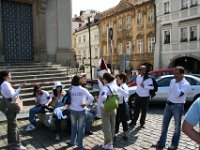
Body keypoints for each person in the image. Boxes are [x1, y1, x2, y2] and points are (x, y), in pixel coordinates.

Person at [152, 66, 191, 150]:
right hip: (168, 105)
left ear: (182, 74)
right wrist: (168, 101)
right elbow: (170, 92)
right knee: (164, 126)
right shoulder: (172, 81)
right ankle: (161, 143)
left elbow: (178, 95)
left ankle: (174, 145)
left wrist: (177, 83)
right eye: (174, 73)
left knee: (177, 127)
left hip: (178, 106)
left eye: (177, 74)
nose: (174, 75)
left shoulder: (186, 84)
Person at [99, 73, 129, 150]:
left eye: (103, 79)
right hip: (114, 108)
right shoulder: (115, 86)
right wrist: (116, 97)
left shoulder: (105, 87)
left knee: (106, 127)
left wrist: (101, 100)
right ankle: (108, 142)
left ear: (106, 80)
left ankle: (109, 144)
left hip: (106, 108)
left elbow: (103, 97)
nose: (102, 80)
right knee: (113, 126)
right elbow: (126, 94)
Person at [0, 70, 27, 150]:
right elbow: (13, 96)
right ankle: (17, 145)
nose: (10, 76)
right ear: (4, 76)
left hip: (7, 105)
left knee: (10, 124)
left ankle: (11, 141)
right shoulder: (5, 84)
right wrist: (20, 87)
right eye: (9, 75)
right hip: (10, 106)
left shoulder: (3, 84)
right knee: (14, 125)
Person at [67, 75, 94, 149]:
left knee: (73, 126)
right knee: (81, 128)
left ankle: (72, 142)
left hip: (72, 110)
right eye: (81, 79)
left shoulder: (70, 88)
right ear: (79, 81)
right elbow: (91, 98)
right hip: (81, 110)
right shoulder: (83, 89)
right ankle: (80, 145)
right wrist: (86, 104)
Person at [115, 72, 129, 140]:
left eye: (118, 79)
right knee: (124, 120)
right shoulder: (124, 85)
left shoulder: (122, 87)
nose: (117, 80)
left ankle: (114, 134)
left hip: (121, 105)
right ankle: (125, 134)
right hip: (123, 105)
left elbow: (120, 96)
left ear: (122, 79)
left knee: (117, 120)